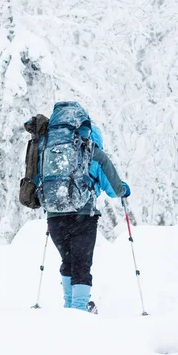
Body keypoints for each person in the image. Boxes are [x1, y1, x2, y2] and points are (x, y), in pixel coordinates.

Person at [47, 124, 130, 313]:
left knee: (67, 262)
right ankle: (79, 310)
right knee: (81, 265)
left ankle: (69, 308)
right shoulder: (95, 153)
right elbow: (114, 189)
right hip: (83, 218)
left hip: (54, 218)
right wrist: (124, 189)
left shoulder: (54, 151)